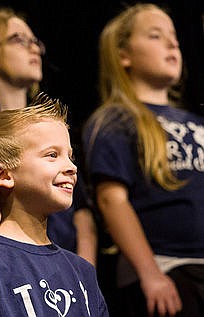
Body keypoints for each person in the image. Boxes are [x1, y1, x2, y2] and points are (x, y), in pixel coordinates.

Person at [82, 3, 204, 316]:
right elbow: (112, 201)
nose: (172, 43)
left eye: (173, 36)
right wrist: (150, 274)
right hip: (166, 270)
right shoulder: (116, 120)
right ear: (124, 55)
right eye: (155, 35)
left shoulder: (196, 122)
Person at [0, 94, 109, 317]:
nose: (71, 167)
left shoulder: (83, 272)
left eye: (70, 156)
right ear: (3, 175)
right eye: (52, 155)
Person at [0, 7, 97, 265]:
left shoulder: (54, 129)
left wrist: (84, 269)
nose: (33, 48)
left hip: (62, 262)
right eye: (18, 40)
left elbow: (82, 213)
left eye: (35, 41)